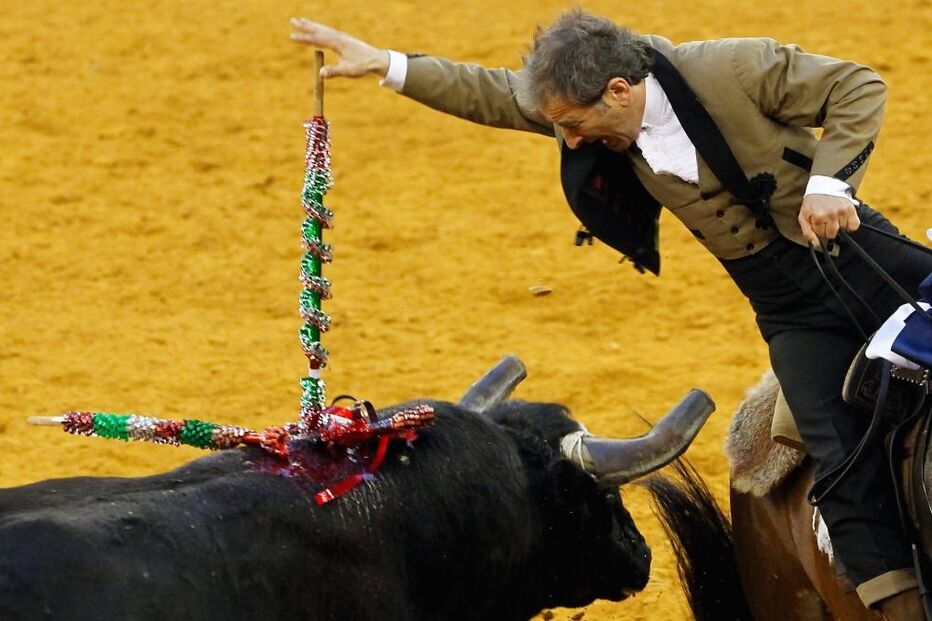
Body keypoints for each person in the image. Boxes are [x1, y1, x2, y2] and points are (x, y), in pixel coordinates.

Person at [290, 10, 932, 619]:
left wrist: (829, 184)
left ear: (619, 91)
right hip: (791, 312)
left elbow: (856, 84)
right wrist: (387, 64)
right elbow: (487, 93)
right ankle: (899, 602)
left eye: (572, 125)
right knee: (837, 457)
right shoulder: (579, 100)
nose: (568, 141)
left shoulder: (728, 70)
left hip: (865, 260)